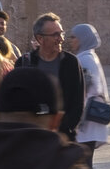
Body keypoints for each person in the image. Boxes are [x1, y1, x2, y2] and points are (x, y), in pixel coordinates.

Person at [18, 13, 85, 141]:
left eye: (61, 33)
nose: (61, 39)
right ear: (40, 39)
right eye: (55, 35)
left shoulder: (71, 63)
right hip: (31, 138)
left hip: (62, 137)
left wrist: (62, 130)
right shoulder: (24, 63)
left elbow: (77, 103)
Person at [70, 22, 110, 164]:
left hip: (86, 119)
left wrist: (77, 112)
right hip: (88, 119)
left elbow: (93, 88)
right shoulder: (87, 56)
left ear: (83, 38)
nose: (71, 41)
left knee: (84, 163)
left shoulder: (85, 59)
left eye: (74, 37)